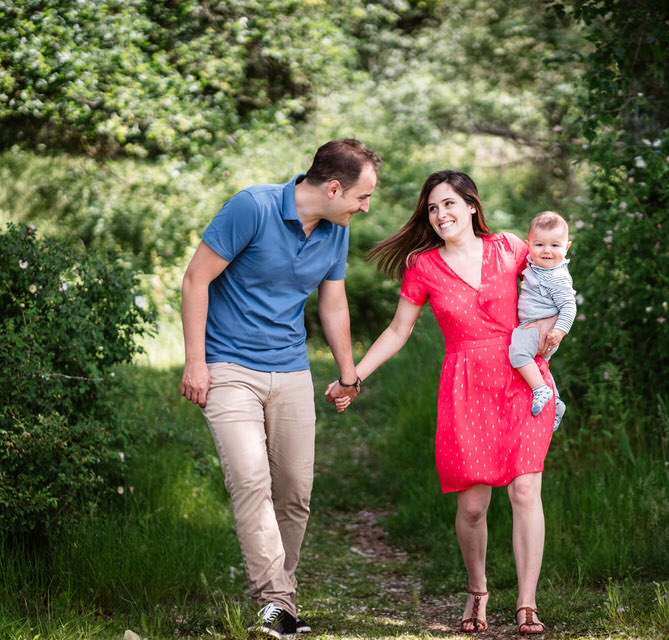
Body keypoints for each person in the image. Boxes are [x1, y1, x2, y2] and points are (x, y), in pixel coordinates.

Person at [326, 170, 555, 635]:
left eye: (449, 204)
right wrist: (354, 378)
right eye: (432, 208)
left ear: (472, 206)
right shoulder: (423, 266)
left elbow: (554, 283)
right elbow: (397, 330)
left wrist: (552, 334)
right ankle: (478, 591)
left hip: (521, 380)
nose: (440, 214)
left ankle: (527, 604)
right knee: (472, 507)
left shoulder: (510, 247)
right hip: (465, 387)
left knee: (525, 490)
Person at [180, 138, 381, 639]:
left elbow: (332, 305)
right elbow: (194, 281)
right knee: (249, 480)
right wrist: (196, 363)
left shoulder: (336, 231)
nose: (365, 206)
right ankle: (275, 603)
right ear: (334, 188)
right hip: (228, 367)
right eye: (362, 196)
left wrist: (348, 373)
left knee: (294, 489)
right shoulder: (253, 207)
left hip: (290, 369)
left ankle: (281, 597)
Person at [508, 211, 576, 429]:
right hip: (535, 329)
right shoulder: (535, 265)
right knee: (539, 365)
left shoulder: (557, 277)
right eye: (540, 245)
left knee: (517, 353)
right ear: (529, 246)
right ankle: (555, 402)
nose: (547, 251)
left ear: (566, 248)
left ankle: (540, 390)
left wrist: (559, 331)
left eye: (555, 246)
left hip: (542, 330)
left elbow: (569, 307)